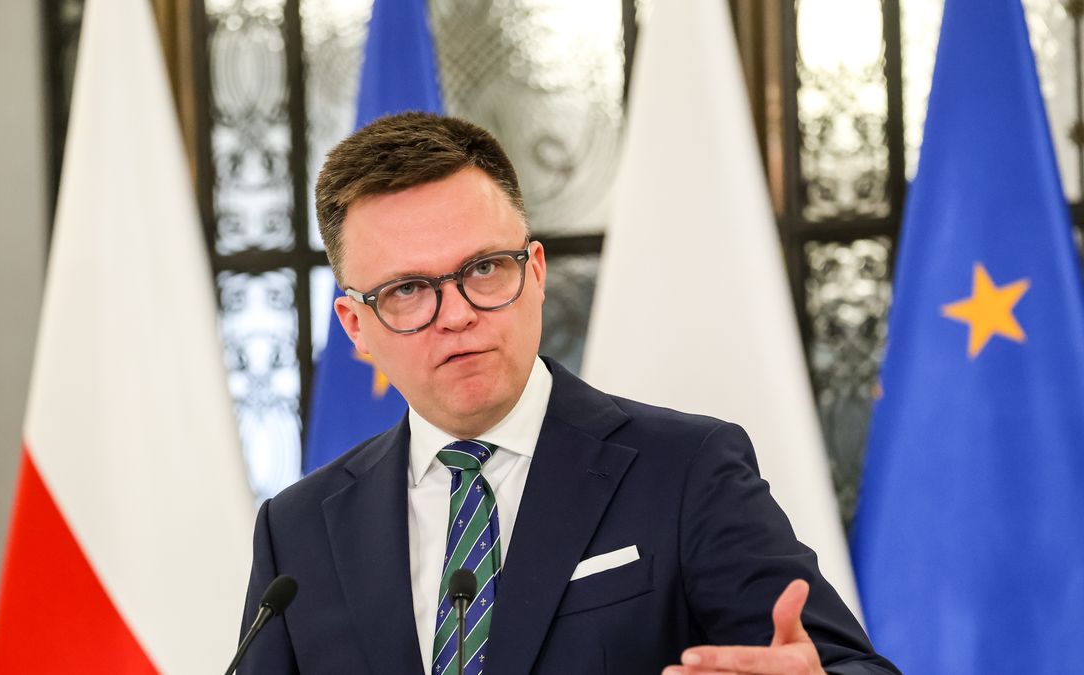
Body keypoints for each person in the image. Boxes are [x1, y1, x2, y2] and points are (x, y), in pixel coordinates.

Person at [239, 112, 898, 675]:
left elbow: (846, 663)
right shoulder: (296, 531)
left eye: (484, 268)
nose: (458, 313)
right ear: (356, 324)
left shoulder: (685, 470)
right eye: (408, 290)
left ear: (536, 273)